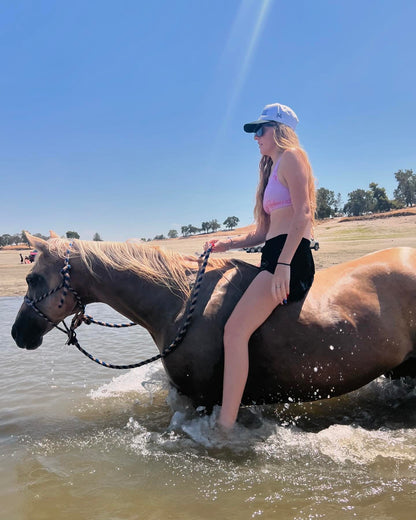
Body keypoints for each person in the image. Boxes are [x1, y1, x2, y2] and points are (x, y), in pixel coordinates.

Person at [205, 102, 316, 431]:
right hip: (274, 253)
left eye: (260, 129)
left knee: (234, 332)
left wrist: (283, 264)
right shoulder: (271, 168)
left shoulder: (293, 156)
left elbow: (303, 214)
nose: (255, 137)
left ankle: (225, 428)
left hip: (291, 257)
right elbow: (265, 231)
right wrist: (227, 243)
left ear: (279, 130)